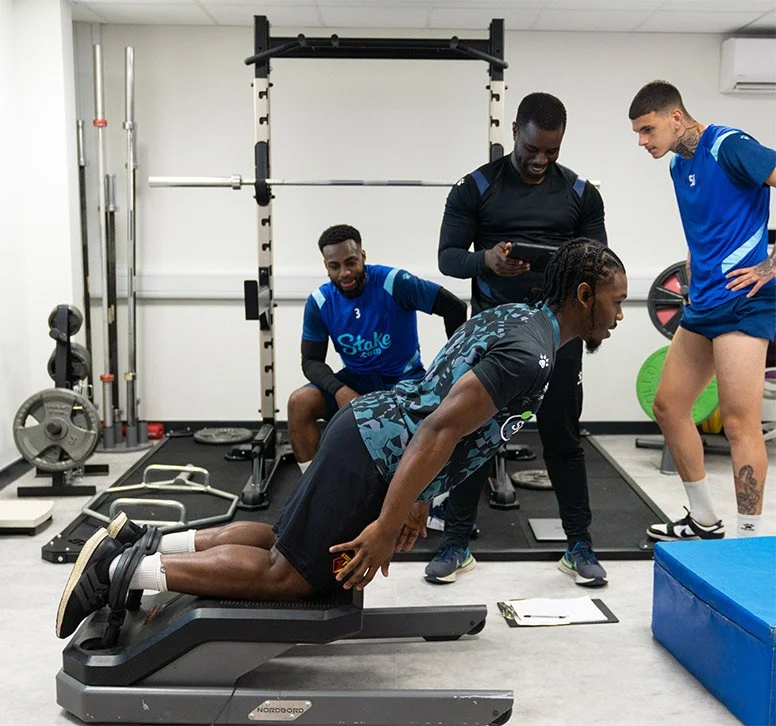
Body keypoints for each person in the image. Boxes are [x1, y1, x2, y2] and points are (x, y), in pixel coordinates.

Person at [56, 239, 627, 640]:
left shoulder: (510, 318)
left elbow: (441, 404)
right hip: (375, 456)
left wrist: (419, 499)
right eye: (617, 300)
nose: (621, 314)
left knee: (283, 538)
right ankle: (120, 573)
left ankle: (145, 540)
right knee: (291, 577)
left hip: (368, 436)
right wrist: (383, 525)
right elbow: (441, 426)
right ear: (582, 293)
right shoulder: (532, 355)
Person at [428, 91, 610, 588]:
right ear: (514, 131)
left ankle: (579, 546)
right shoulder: (476, 187)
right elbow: (448, 257)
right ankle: (455, 544)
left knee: (563, 438)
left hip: (558, 333)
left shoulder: (579, 192)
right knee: (468, 432)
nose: (540, 159)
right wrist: (487, 260)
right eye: (532, 148)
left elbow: (600, 262)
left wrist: (558, 261)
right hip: (497, 334)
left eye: (551, 150)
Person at [628, 81, 776, 541]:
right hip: (703, 303)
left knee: (737, 422)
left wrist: (772, 265)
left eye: (648, 129)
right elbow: (705, 228)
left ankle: (749, 538)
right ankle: (703, 519)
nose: (642, 142)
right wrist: (694, 268)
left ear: (676, 118)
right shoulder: (678, 165)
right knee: (669, 406)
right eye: (637, 132)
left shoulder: (731, 146)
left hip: (743, 305)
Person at [287, 223, 466, 471]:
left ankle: (427, 493)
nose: (344, 273)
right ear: (326, 266)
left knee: (433, 425)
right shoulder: (320, 301)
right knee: (300, 402)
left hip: (404, 379)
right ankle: (310, 488)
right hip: (356, 380)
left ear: (363, 256)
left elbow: (454, 307)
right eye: (334, 266)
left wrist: (453, 370)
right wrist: (339, 390)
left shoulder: (394, 282)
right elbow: (311, 361)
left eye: (350, 262)